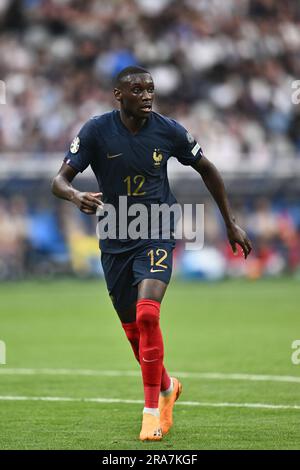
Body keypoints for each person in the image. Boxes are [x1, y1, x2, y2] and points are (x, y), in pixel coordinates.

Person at [51, 65, 252, 441]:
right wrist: (75, 194)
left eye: (151, 90)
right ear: (118, 95)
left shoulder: (168, 130)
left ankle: (150, 413)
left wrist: (230, 221)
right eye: (138, 90)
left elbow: (207, 168)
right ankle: (166, 387)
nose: (146, 96)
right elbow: (58, 180)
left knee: (147, 314)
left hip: (157, 227)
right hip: (114, 235)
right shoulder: (96, 130)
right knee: (133, 330)